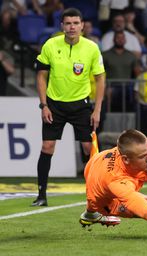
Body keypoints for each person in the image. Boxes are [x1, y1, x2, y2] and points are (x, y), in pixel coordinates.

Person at [31, 8, 106, 206]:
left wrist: (96, 109)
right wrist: (43, 105)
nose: (72, 27)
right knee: (47, 146)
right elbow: (40, 76)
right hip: (54, 104)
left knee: (89, 147)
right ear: (62, 26)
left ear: (82, 25)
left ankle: (98, 194)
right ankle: (41, 195)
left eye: (75, 23)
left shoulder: (92, 48)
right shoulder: (50, 45)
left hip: (81, 105)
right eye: (68, 23)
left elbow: (100, 79)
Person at [102, 30, 141, 111]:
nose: (120, 40)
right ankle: (108, 119)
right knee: (108, 93)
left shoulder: (131, 56)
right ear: (113, 40)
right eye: (118, 38)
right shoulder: (105, 55)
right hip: (110, 87)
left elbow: (137, 73)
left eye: (122, 38)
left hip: (127, 87)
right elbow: (100, 73)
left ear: (125, 40)